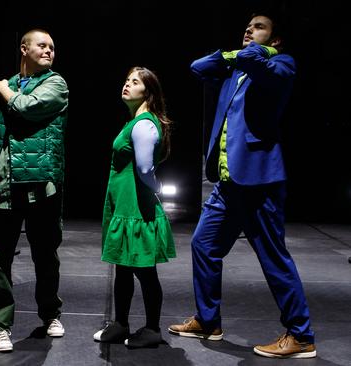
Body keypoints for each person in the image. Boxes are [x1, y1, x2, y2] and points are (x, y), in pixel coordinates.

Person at [168, 13, 316, 358]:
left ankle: (301, 335)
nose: (248, 30)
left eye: (258, 27)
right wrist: (234, 54)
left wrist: (252, 52)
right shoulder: (237, 69)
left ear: (275, 40)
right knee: (204, 245)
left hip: (259, 180)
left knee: (273, 257)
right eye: (247, 27)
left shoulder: (282, 64)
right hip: (228, 183)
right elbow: (198, 66)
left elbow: (253, 58)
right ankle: (208, 320)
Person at [0, 29, 69, 352]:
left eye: (52, 47)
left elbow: (27, 107)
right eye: (42, 45)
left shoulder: (56, 84)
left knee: (45, 255)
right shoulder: (4, 87)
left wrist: (2, 91)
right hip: (3, 183)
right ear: (24, 49)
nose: (49, 51)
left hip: (42, 186)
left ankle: (51, 313)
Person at [93, 67, 175, 348]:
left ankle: (152, 329)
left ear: (148, 92)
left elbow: (144, 168)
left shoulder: (143, 124)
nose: (127, 84)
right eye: (126, 79)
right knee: (123, 269)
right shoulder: (135, 122)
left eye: (135, 82)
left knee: (144, 271)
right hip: (126, 206)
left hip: (136, 209)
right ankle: (120, 324)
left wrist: (155, 190)